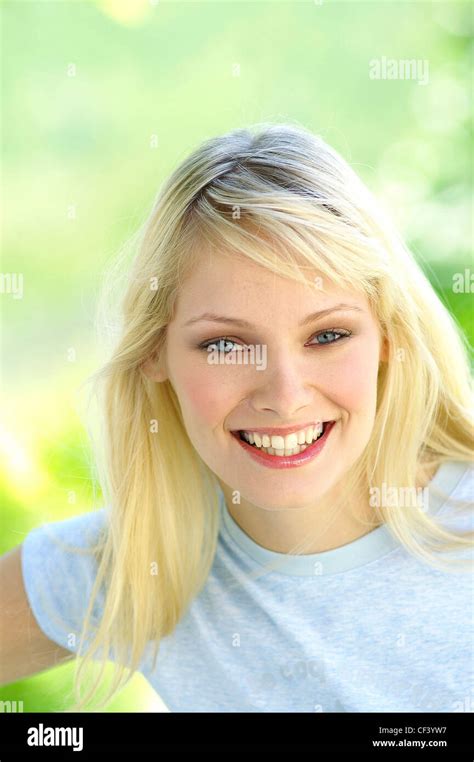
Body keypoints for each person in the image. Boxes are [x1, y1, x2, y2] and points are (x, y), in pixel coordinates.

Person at [1, 123, 472, 713]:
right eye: (226, 345)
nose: (285, 395)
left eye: (327, 335)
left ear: (388, 337)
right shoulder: (140, 565)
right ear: (155, 353)